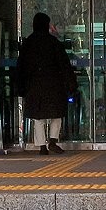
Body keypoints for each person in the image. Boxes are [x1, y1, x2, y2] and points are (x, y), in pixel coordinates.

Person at [17, 12, 76, 154]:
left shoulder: (28, 43)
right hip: (54, 85)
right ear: (46, 25)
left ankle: (42, 146)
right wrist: (71, 84)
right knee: (57, 114)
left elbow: (21, 67)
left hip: (34, 85)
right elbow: (64, 65)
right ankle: (53, 141)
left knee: (38, 117)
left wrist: (20, 87)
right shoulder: (54, 43)